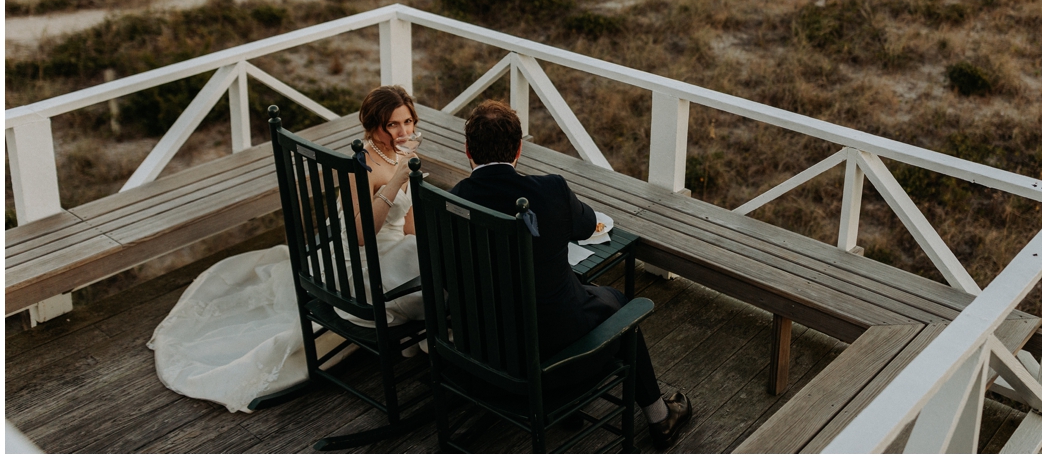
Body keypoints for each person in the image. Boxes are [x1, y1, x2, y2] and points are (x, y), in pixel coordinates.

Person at [149, 85, 425, 413]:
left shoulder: (404, 155)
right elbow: (361, 235)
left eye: (408, 122)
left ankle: (423, 339)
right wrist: (396, 183)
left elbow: (408, 228)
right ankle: (430, 344)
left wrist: (417, 193)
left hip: (390, 253)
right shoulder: (363, 163)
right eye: (392, 125)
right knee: (436, 277)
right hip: (360, 268)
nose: (403, 131)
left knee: (429, 256)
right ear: (372, 126)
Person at [449, 100, 693, 449]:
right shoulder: (550, 190)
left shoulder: (452, 201)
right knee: (622, 309)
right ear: (519, 148)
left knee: (577, 289)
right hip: (547, 357)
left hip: (480, 353)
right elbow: (584, 224)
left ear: (468, 150)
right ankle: (659, 416)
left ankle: (585, 409)